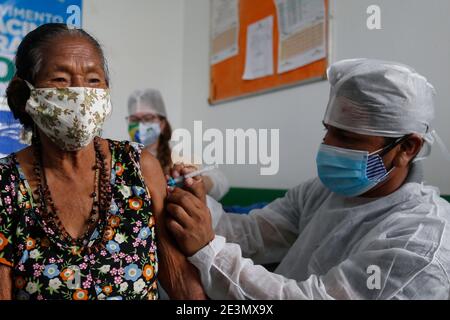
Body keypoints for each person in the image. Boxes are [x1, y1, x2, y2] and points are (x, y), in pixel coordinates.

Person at [164, 59, 450, 299]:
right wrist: (197, 206)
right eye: (329, 131)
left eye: (347, 137)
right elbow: (254, 233)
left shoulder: (420, 244)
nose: (328, 146)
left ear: (407, 148)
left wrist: (208, 250)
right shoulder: (323, 190)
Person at [0, 23, 206, 300]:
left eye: (94, 80)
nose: (80, 93)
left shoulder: (139, 167)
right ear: (26, 95)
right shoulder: (6, 183)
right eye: (60, 79)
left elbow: (180, 280)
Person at [127, 89, 229, 201]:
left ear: (162, 124)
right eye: (134, 119)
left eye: (148, 118)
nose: (140, 125)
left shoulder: (179, 160)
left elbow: (221, 182)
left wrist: (197, 182)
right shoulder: (122, 159)